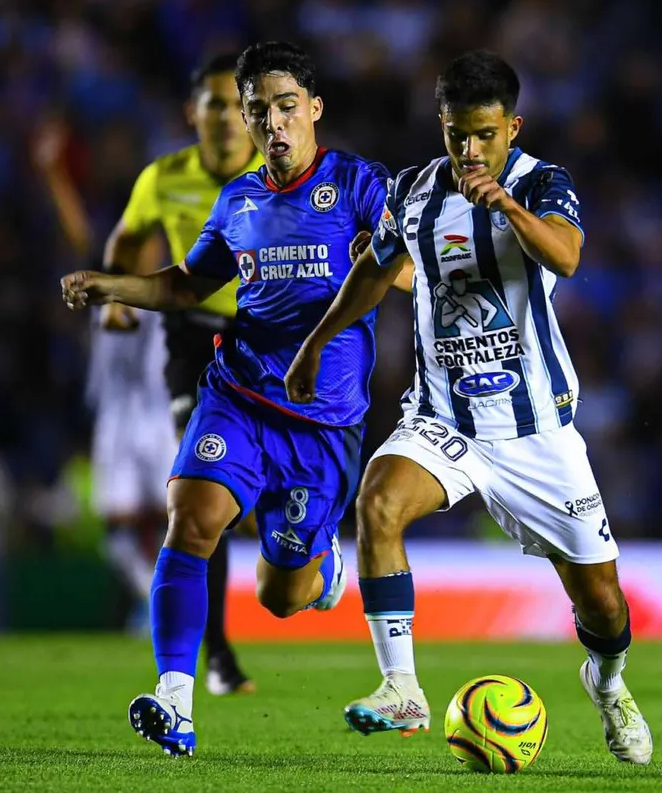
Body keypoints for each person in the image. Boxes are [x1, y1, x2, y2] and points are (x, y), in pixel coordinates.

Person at [285, 50, 654, 765]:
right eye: (458, 135)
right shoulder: (413, 191)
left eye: (486, 134)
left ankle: (608, 683)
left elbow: (567, 257)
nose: (471, 150)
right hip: (443, 419)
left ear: (512, 127)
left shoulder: (541, 183)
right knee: (378, 503)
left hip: (534, 430)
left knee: (603, 605)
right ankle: (401, 688)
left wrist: (506, 207)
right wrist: (315, 344)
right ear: (442, 126)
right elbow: (377, 271)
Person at [61, 41, 406, 759]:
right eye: (259, 111)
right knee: (191, 519)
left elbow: (408, 266)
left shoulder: (358, 184)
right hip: (239, 394)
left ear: (314, 109)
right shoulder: (238, 201)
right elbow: (188, 284)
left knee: (281, 596)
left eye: (287, 106)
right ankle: (175, 701)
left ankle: (319, 570)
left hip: (322, 424)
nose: (273, 123)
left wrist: (387, 260)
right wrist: (112, 285)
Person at [35, 54, 262, 695]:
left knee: (260, 505)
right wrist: (112, 297)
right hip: (187, 353)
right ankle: (211, 648)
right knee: (199, 496)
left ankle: (299, 551)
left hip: (265, 341)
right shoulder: (163, 181)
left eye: (235, 104)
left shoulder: (277, 176)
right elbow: (117, 242)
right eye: (213, 103)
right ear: (193, 113)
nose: (225, 117)